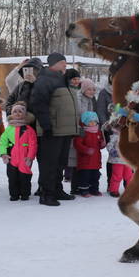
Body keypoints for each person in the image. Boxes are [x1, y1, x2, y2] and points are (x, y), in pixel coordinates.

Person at [29, 52, 81, 207]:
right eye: (62, 63)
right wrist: (46, 126)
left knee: (60, 163)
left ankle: (57, 190)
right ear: (53, 64)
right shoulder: (45, 79)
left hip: (64, 130)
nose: (65, 65)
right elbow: (39, 103)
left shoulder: (62, 79)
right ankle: (46, 194)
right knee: (49, 164)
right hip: (52, 130)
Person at [0, 102, 38, 201]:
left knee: (25, 176)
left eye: (20, 111)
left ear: (24, 114)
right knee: (12, 177)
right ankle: (14, 194)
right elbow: (3, 142)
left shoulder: (29, 129)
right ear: (11, 114)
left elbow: (33, 144)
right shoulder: (9, 129)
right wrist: (3, 154)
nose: (17, 113)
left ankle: (25, 194)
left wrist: (30, 157)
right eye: (15, 111)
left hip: (24, 158)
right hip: (12, 158)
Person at [68, 78, 97, 194]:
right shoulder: (79, 99)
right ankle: (75, 188)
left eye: (94, 89)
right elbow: (79, 115)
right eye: (89, 89)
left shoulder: (89, 100)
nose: (92, 91)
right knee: (76, 161)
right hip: (79, 132)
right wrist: (80, 129)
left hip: (86, 131)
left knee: (83, 160)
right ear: (83, 89)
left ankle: (83, 186)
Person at [73, 111, 105, 197]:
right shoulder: (83, 132)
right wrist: (86, 150)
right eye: (90, 121)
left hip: (96, 160)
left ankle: (94, 189)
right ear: (85, 122)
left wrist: (102, 144)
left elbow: (99, 144)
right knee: (85, 176)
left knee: (95, 176)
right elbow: (77, 144)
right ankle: (84, 190)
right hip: (85, 160)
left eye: (94, 121)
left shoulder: (98, 132)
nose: (93, 123)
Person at [106, 126, 133, 197]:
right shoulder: (114, 136)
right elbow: (109, 145)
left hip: (127, 161)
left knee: (129, 176)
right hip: (117, 161)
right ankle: (113, 190)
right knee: (117, 176)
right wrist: (113, 151)